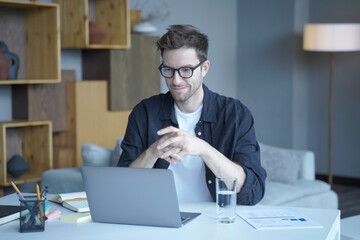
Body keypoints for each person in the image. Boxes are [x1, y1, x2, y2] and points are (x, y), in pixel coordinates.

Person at [118, 25, 266, 205]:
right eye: (168, 70)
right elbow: (123, 189)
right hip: (157, 221)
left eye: (186, 70)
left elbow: (253, 192)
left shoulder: (235, 115)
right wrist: (153, 152)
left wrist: (204, 149)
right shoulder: (145, 113)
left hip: (215, 224)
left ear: (204, 68)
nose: (176, 80)